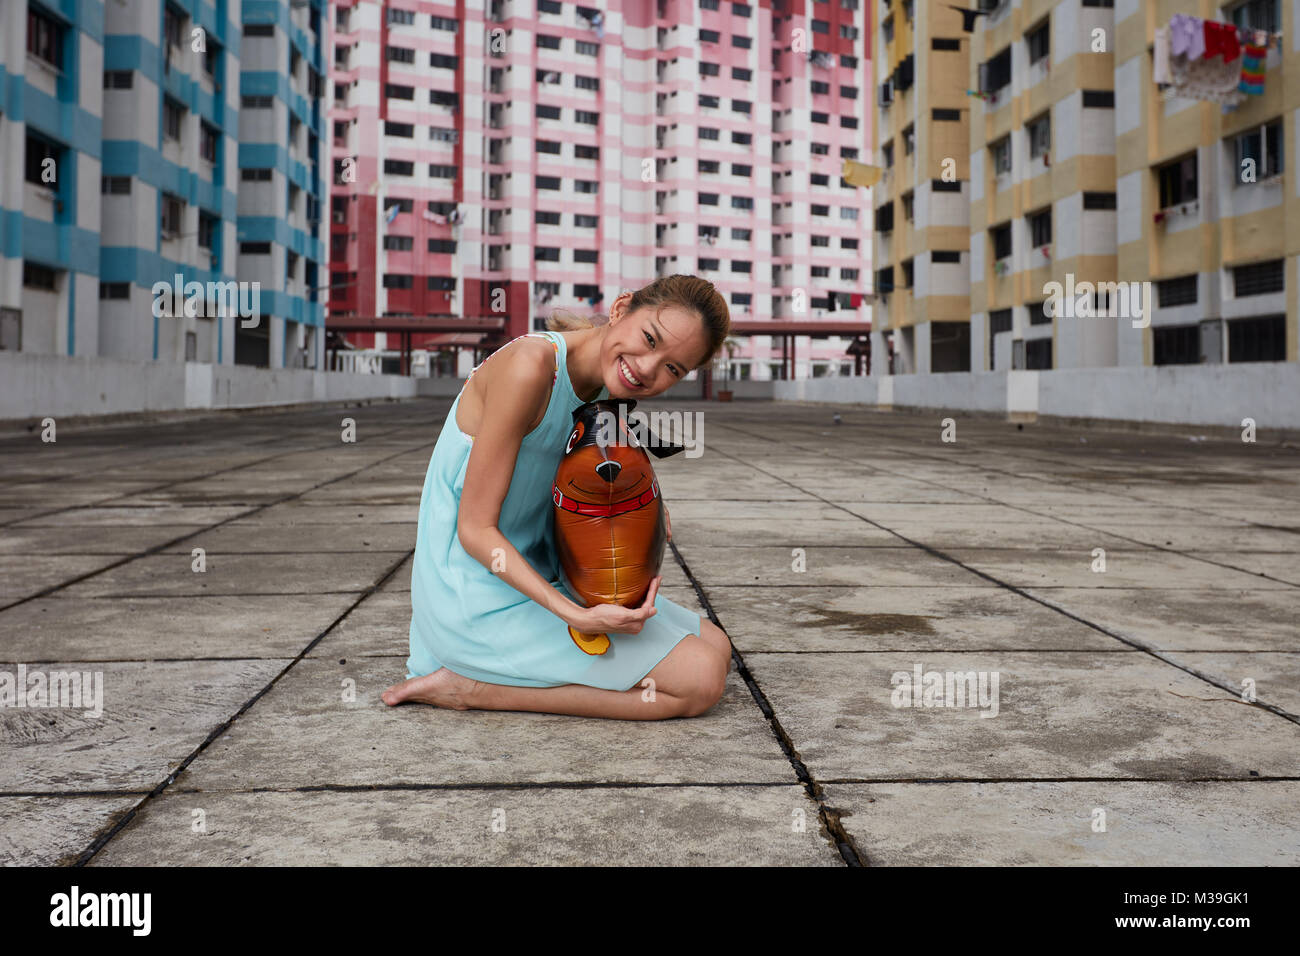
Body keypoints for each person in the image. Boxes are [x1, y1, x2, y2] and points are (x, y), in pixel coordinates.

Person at [382, 275, 733, 719]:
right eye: (649, 339)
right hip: (473, 593)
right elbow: (473, 529)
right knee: (700, 682)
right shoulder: (529, 367)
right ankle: (470, 688)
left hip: (544, 572)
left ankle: (502, 670)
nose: (647, 368)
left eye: (673, 368)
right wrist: (576, 615)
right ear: (621, 308)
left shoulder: (609, 387)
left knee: (717, 646)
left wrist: (650, 511)